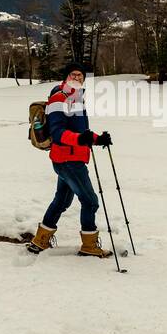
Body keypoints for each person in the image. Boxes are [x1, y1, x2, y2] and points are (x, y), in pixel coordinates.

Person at [26, 63, 114, 258]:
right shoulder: (60, 98)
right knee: (90, 202)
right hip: (68, 160)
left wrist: (97, 139)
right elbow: (58, 133)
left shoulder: (76, 98)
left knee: (62, 201)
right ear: (66, 77)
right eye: (73, 74)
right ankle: (89, 245)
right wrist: (80, 139)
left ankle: (40, 241)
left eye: (80, 75)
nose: (77, 77)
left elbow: (80, 133)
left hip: (68, 159)